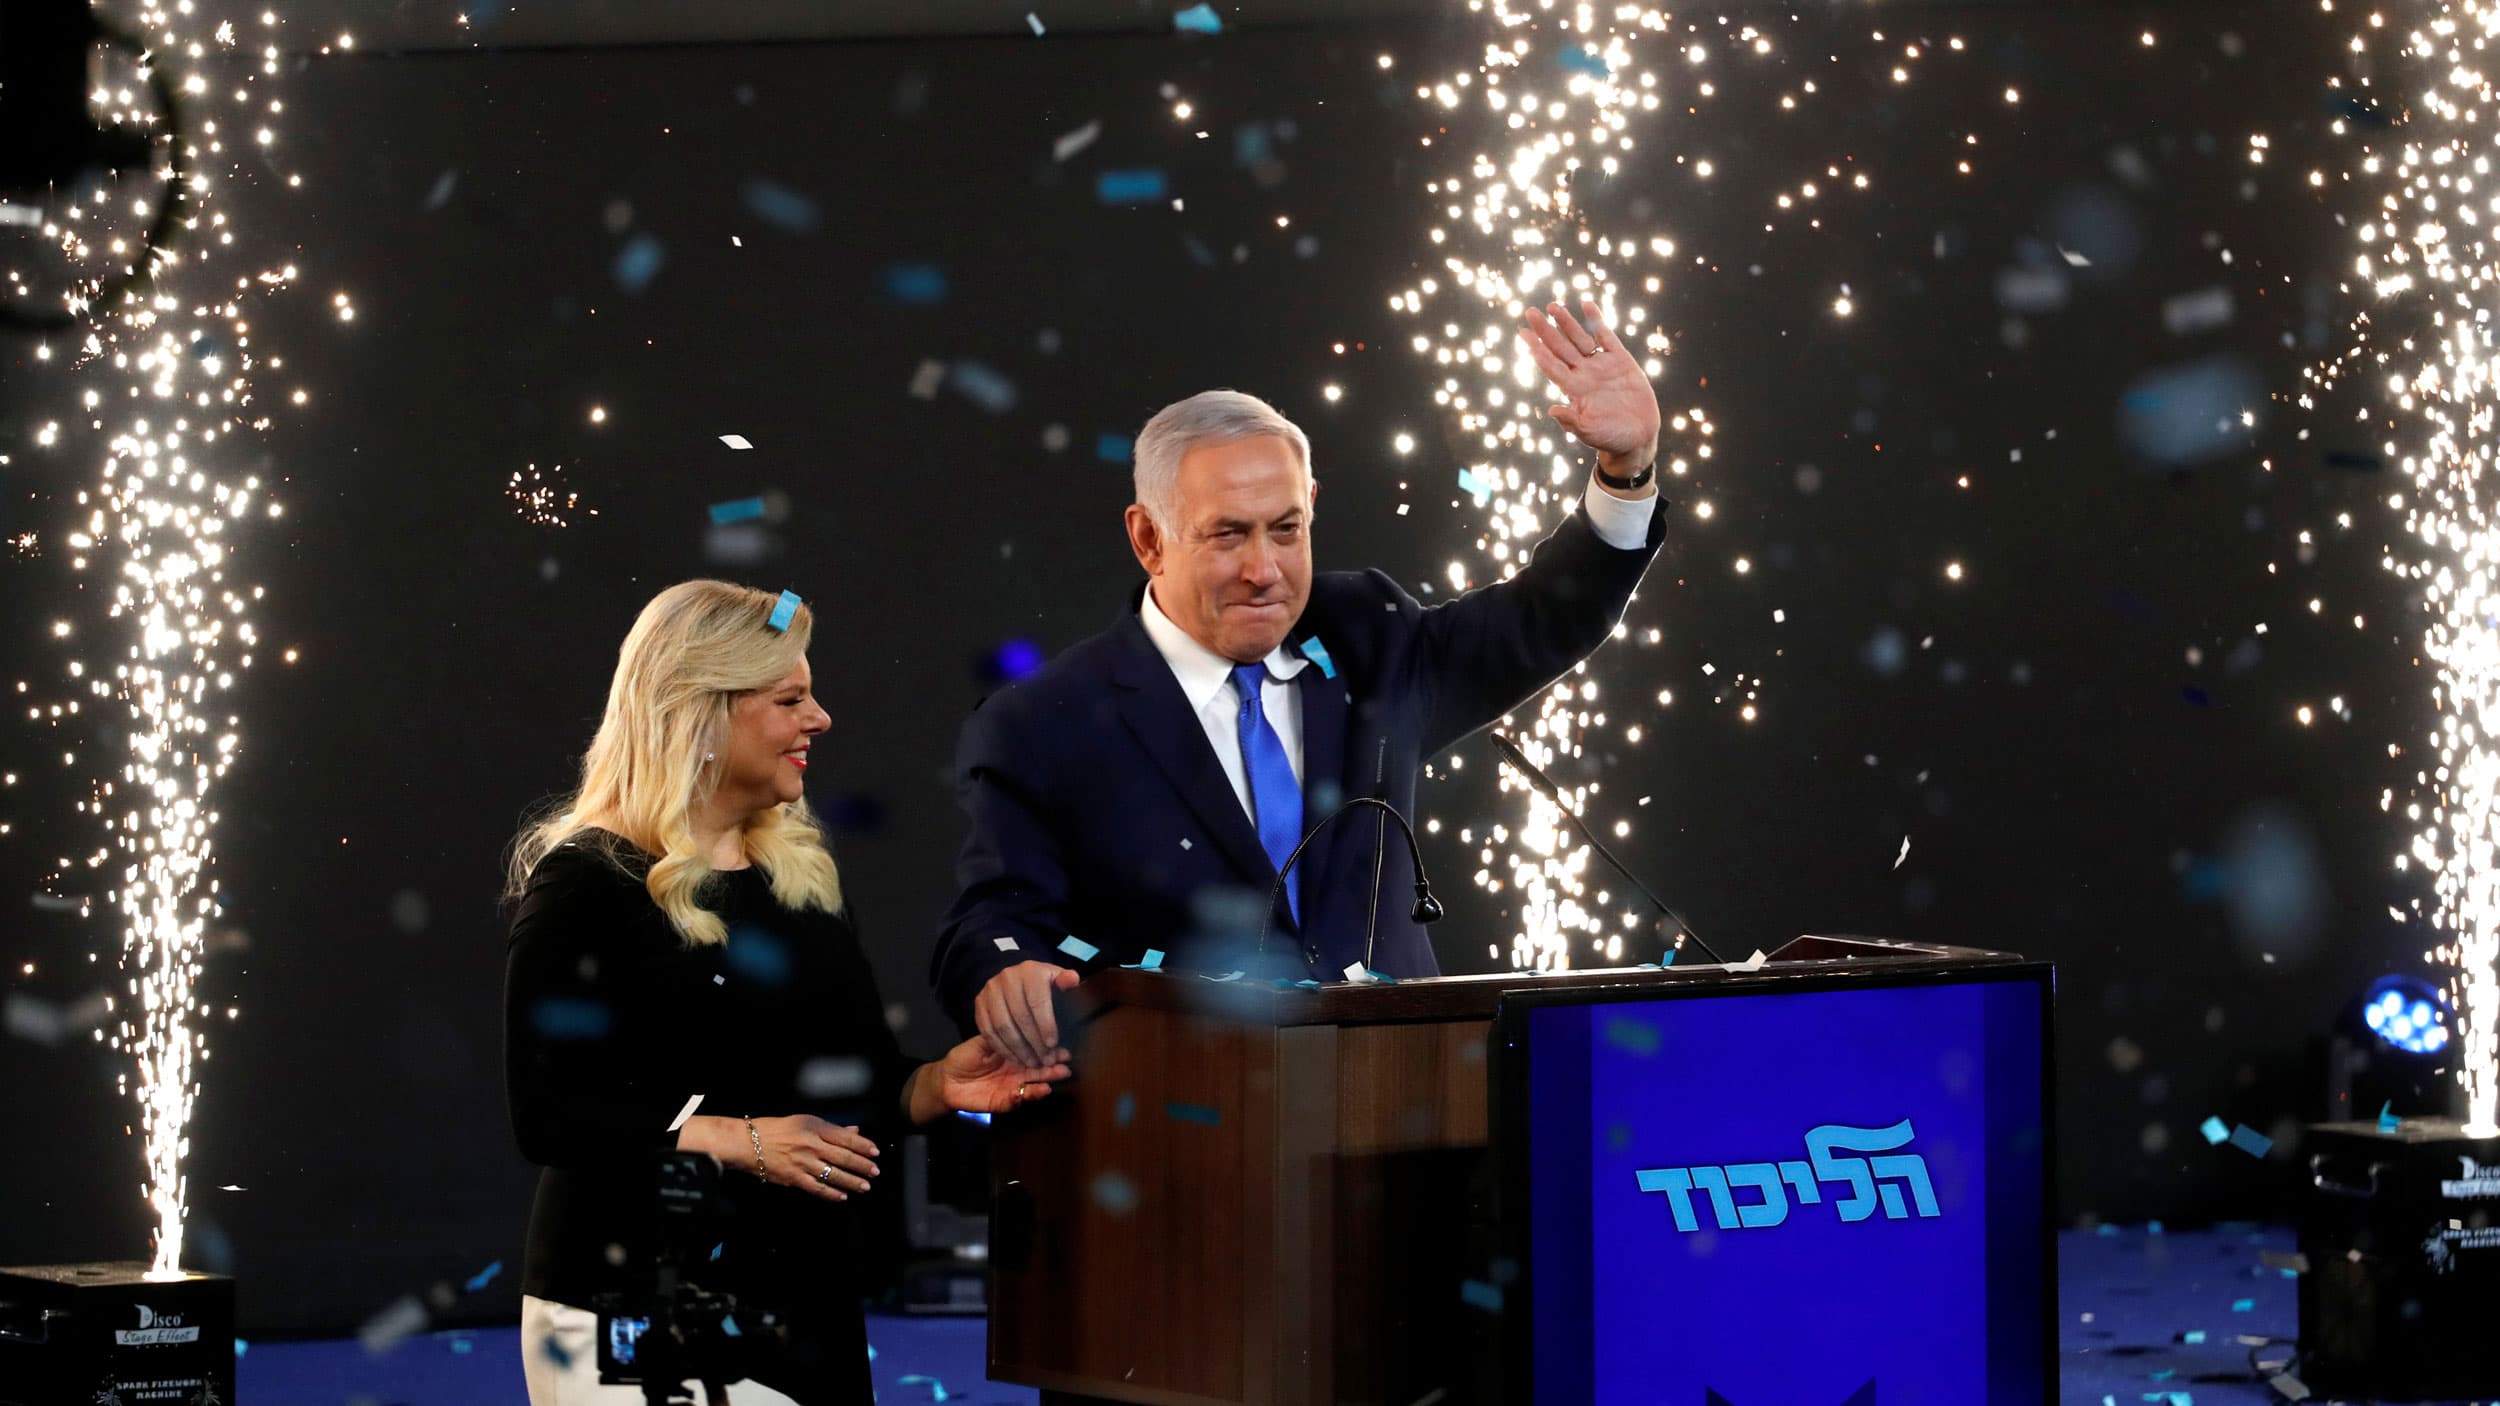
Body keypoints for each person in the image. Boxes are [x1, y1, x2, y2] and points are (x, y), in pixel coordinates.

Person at [933, 300, 1670, 1064]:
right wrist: (1004, 971)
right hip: (1189, 1129)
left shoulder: (1367, 635)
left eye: (1286, 530)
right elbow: (989, 924)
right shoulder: (1046, 722)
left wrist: (1627, 470)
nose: (1264, 571)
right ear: (1149, 538)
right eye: (1228, 535)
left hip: (1410, 1108)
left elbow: (1538, 624)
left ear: (1312, 509)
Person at [504, 581, 1068, 1405]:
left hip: (804, 1308)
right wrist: (742, 1140)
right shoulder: (587, 882)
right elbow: (551, 1113)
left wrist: (936, 1086)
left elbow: (852, 1087)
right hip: (633, 1304)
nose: (821, 719)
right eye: (790, 698)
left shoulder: (800, 878)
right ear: (699, 712)